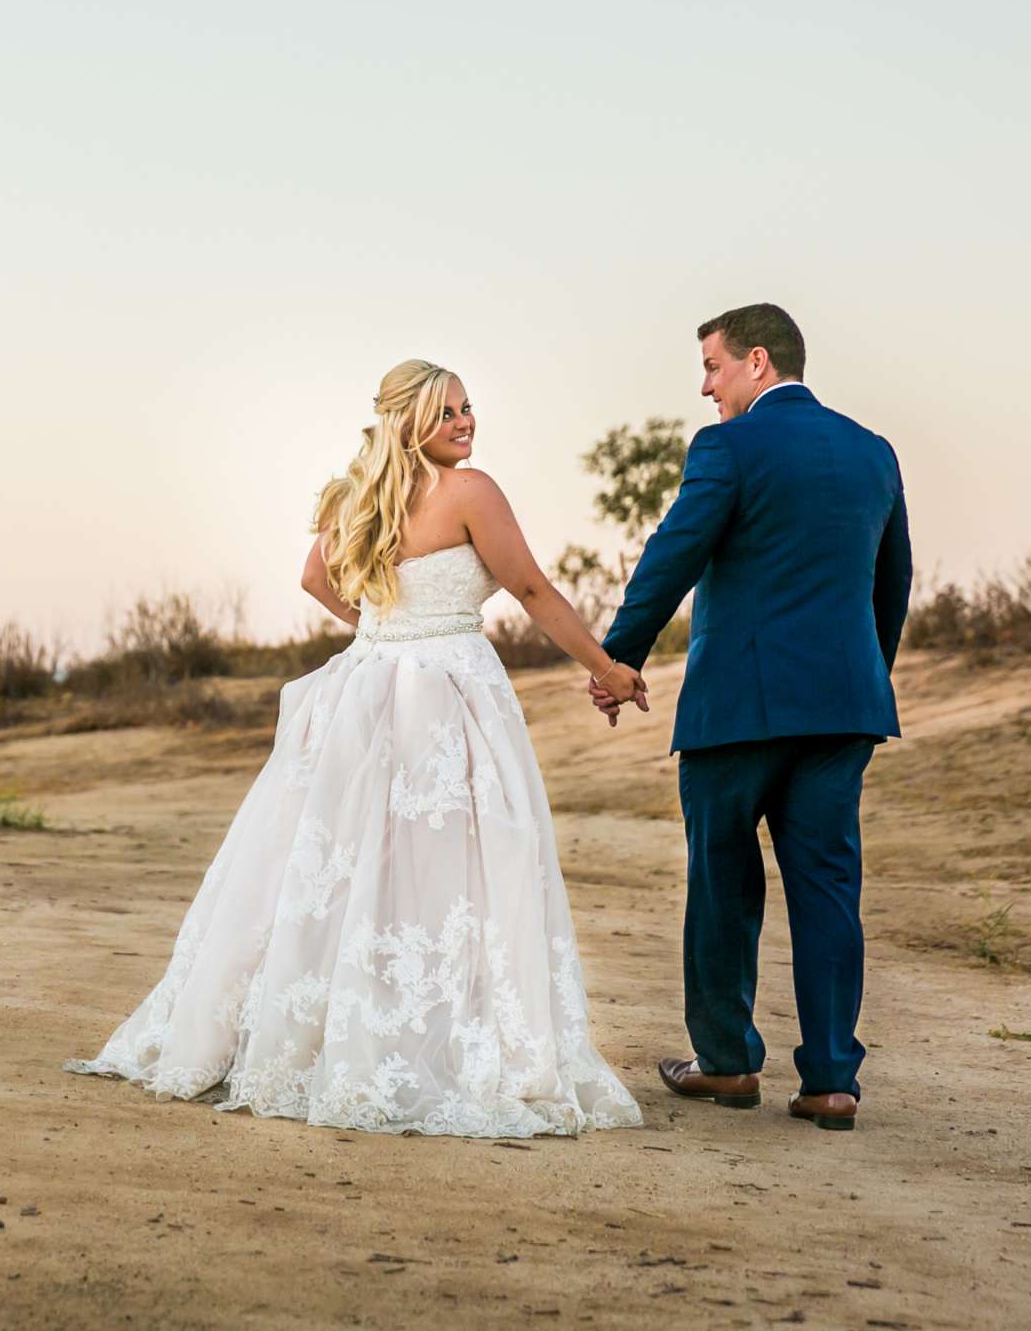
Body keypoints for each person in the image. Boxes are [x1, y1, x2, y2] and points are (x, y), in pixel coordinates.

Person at [66, 358, 644, 1137]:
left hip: (366, 688)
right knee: (453, 868)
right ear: (409, 420)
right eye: (447, 414)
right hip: (448, 692)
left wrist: (382, 628)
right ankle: (437, 1037)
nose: (466, 423)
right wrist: (605, 667)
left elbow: (314, 576)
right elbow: (534, 590)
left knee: (344, 863)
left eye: (469, 408)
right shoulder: (471, 493)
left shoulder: (357, 493)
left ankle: (321, 1034)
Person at [590, 303, 910, 1132]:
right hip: (843, 712)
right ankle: (832, 1081)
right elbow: (893, 583)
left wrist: (616, 658)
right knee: (831, 891)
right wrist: (860, 678)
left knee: (722, 886)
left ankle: (728, 1064)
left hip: (737, 710)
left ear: (757, 362)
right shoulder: (873, 453)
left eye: (712, 366)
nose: (705, 386)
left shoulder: (728, 447)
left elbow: (674, 553)